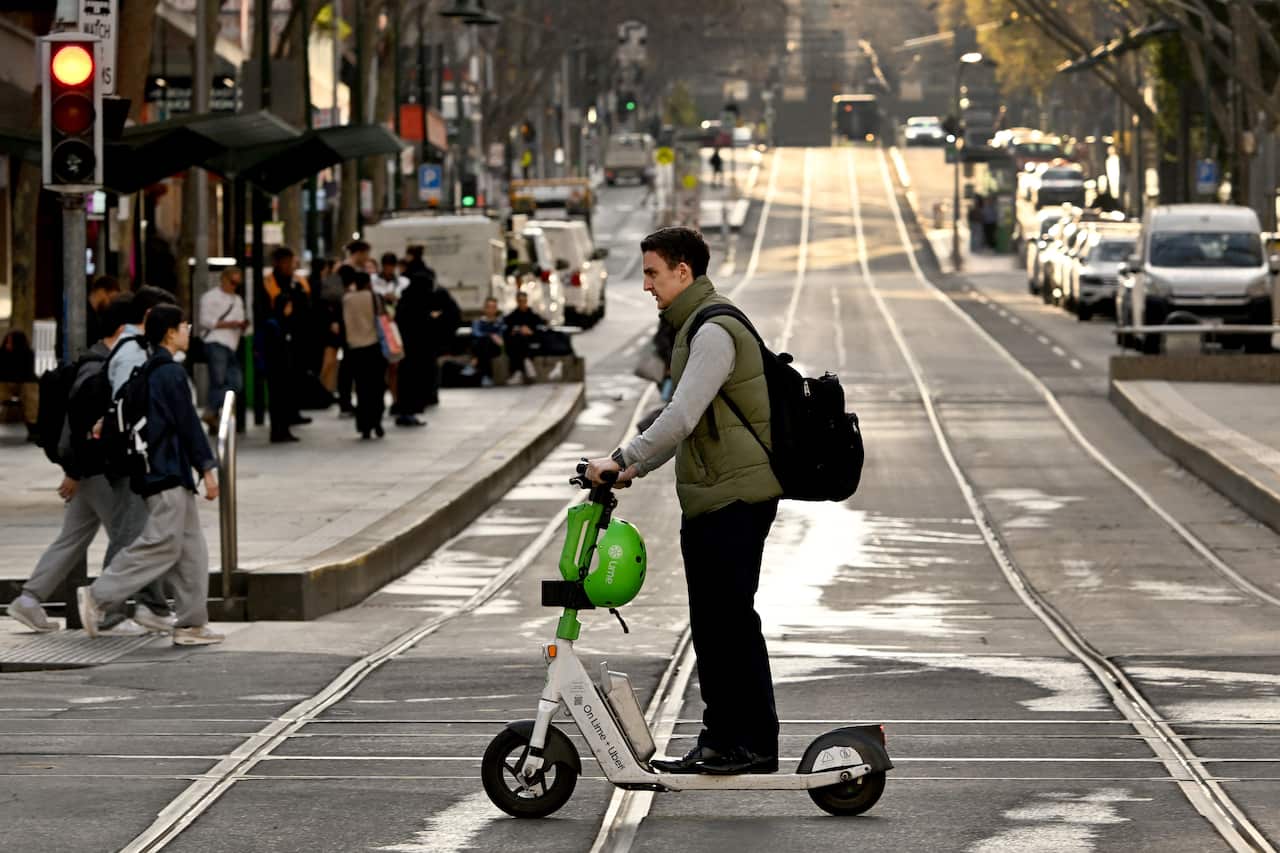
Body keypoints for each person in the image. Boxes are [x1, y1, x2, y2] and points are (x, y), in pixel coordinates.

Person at [585, 226, 782, 775]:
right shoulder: (695, 326)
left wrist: (625, 459)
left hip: (732, 497)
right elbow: (686, 424)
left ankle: (742, 743)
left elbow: (682, 415)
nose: (645, 284)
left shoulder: (713, 329)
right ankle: (734, 740)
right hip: (718, 496)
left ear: (682, 272)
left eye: (652, 272)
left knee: (726, 621)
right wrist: (630, 465)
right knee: (720, 621)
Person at [4, 295, 171, 636]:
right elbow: (81, 426)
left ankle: (30, 599)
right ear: (125, 327)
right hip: (94, 471)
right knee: (130, 535)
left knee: (74, 537)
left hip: (89, 471)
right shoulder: (100, 366)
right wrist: (74, 472)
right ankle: (114, 610)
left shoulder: (101, 360)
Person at [77, 305, 224, 647]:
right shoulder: (168, 373)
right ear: (170, 333)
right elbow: (188, 424)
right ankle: (99, 596)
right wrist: (208, 468)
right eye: (184, 325)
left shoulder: (150, 370)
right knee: (160, 544)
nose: (189, 330)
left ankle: (191, 624)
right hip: (165, 473)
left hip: (162, 472)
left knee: (191, 550)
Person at [262, 247, 313, 436]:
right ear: (278, 262)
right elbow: (268, 311)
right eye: (288, 262)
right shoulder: (268, 283)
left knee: (291, 381)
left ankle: (289, 418)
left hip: (295, 340)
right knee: (278, 385)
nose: (291, 266)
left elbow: (305, 306)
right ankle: (279, 428)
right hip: (275, 342)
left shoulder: (296, 281)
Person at [198, 266, 249, 431]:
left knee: (235, 382)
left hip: (232, 344)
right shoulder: (210, 297)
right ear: (223, 279)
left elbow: (243, 322)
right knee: (218, 381)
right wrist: (230, 324)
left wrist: (241, 325)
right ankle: (213, 414)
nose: (234, 286)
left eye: (237, 283)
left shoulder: (238, 300)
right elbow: (205, 321)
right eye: (232, 282)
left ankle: (211, 412)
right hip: (215, 342)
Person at [342, 271, 387, 439]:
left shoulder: (347, 299)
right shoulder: (374, 297)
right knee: (376, 387)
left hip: (355, 348)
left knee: (361, 388)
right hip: (373, 347)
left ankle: (364, 425)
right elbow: (383, 319)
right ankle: (377, 422)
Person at [392, 271, 436, 427]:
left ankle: (405, 411)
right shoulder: (418, 303)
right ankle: (408, 412)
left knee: (406, 381)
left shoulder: (406, 300)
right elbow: (423, 327)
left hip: (406, 351)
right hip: (415, 351)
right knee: (412, 382)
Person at [0, 330, 39, 442]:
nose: (8, 345)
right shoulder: (2, 353)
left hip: (24, 383)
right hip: (5, 383)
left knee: (31, 395)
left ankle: (33, 427)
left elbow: (26, 373)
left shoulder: (27, 353)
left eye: (11, 342)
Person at [503, 291, 547, 382]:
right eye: (520, 301)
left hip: (531, 342)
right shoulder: (512, 316)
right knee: (517, 340)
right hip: (516, 343)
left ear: (527, 301)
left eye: (524, 301)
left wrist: (530, 331)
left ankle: (518, 371)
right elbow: (507, 330)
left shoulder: (533, 316)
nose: (522, 303)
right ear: (517, 301)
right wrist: (516, 330)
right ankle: (526, 362)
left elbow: (541, 328)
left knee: (520, 342)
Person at [470, 297, 506, 386]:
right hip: (482, 347)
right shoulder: (478, 322)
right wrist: (491, 335)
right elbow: (476, 333)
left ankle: (476, 361)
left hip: (495, 348)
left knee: (484, 342)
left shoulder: (500, 322)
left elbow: (501, 337)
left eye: (493, 307)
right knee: (483, 341)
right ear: (484, 308)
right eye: (489, 307)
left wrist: (494, 337)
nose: (491, 309)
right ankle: (486, 375)